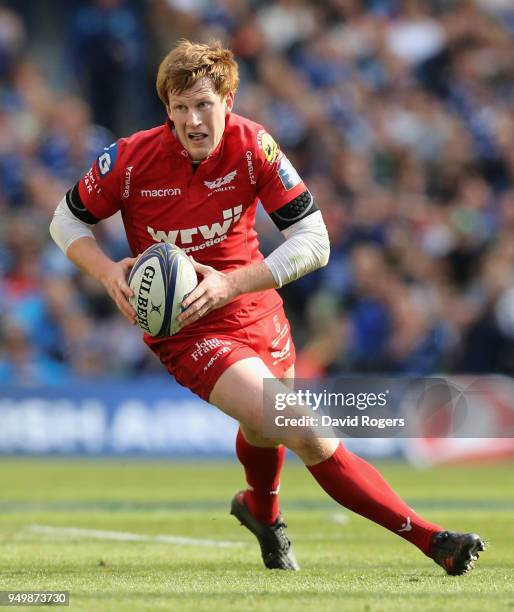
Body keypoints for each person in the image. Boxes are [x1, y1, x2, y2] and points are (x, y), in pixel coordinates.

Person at [49, 39, 484, 574]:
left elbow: (314, 240)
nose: (193, 120)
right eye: (180, 107)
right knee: (302, 428)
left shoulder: (254, 145)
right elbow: (65, 220)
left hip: (255, 309)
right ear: (167, 109)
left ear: (228, 100)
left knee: (262, 429)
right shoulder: (130, 160)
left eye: (203, 104)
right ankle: (433, 540)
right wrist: (106, 270)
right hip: (186, 329)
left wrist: (231, 284)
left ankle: (260, 511)